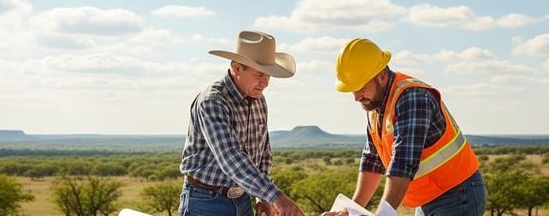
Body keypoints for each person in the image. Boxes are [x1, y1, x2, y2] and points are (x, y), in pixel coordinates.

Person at [327, 38, 486, 215]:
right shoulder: (374, 105)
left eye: (361, 87)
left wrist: (383, 214)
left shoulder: (412, 97)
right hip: (426, 200)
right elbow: (372, 162)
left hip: (457, 196)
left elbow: (402, 164)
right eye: (352, 89)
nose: (356, 97)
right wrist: (352, 210)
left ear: (382, 76)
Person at [179, 31, 304, 216]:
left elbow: (263, 152)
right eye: (260, 74)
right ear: (237, 68)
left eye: (269, 75)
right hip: (206, 201)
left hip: (243, 199)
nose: (266, 82)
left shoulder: (259, 100)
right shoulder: (213, 101)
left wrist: (263, 197)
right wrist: (276, 197)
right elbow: (230, 156)